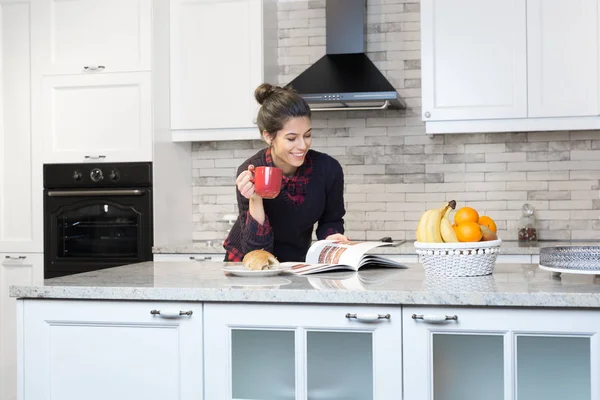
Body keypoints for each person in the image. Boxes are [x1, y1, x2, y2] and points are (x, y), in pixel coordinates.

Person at [223, 83, 349, 262]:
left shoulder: (328, 169)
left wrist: (332, 239)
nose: (302, 145)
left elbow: (331, 220)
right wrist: (255, 198)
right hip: (249, 262)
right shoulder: (251, 171)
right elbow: (256, 250)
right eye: (291, 138)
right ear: (269, 137)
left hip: (295, 261)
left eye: (307, 135)